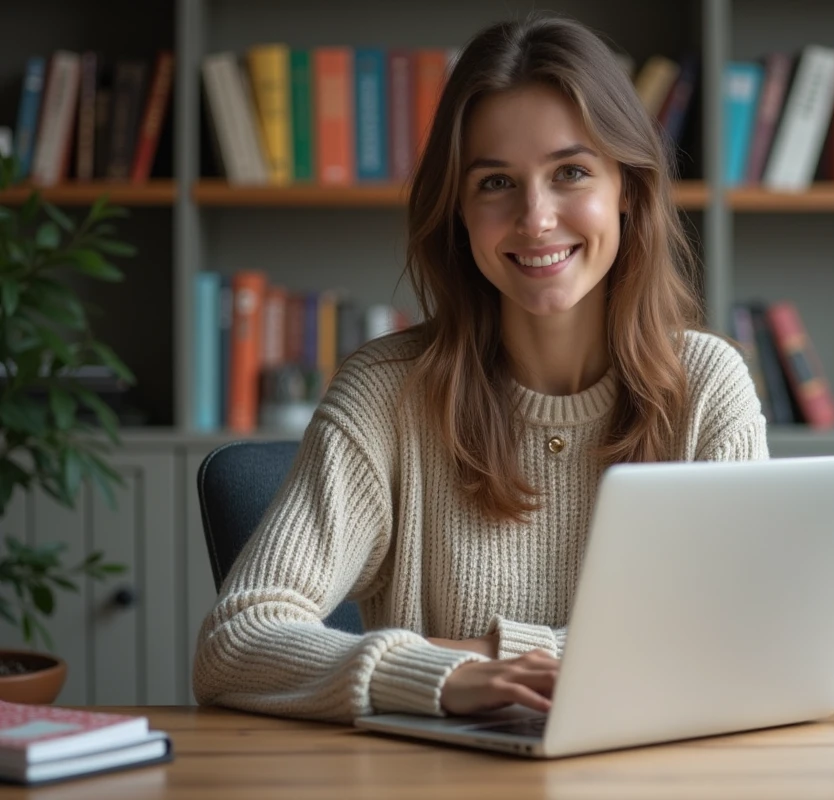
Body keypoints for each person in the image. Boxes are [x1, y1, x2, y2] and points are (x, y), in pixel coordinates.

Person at [192, 13, 768, 724]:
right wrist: (441, 675)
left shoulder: (707, 385)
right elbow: (233, 642)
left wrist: (491, 653)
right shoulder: (385, 394)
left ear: (628, 187)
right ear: (459, 211)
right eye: (496, 182)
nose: (535, 218)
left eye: (572, 172)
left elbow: (739, 645)